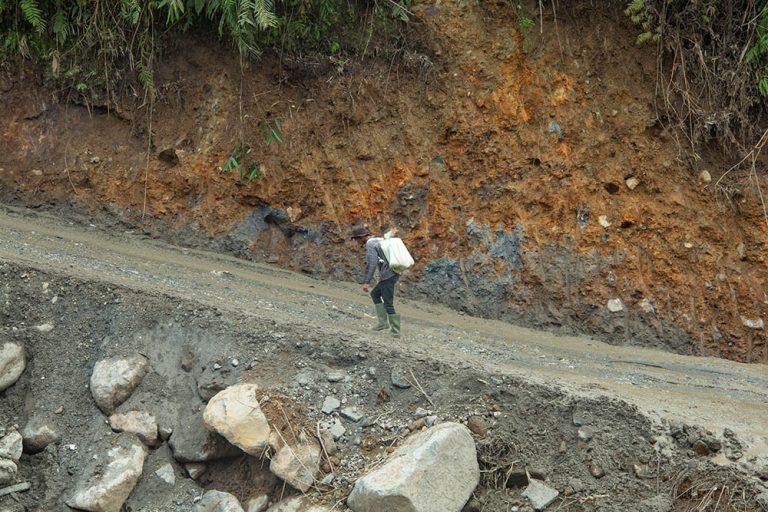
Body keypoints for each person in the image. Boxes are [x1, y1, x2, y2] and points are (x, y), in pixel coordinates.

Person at [350, 225, 401, 337]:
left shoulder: (370, 243)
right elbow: (386, 240)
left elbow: (372, 264)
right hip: (391, 273)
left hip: (388, 275)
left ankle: (395, 331)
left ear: (361, 237)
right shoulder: (377, 239)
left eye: (356, 239)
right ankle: (383, 323)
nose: (357, 242)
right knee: (375, 294)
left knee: (388, 302)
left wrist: (367, 281)